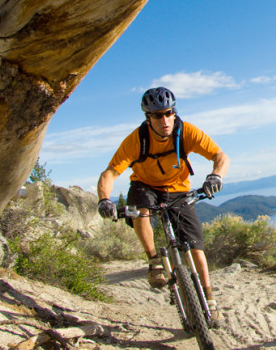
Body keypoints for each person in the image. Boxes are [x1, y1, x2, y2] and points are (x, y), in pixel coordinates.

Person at [96, 86, 230, 321]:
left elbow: (220, 156)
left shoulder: (186, 131)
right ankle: (154, 260)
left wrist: (215, 175)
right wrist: (104, 200)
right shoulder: (136, 140)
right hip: (144, 186)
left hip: (176, 190)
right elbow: (110, 173)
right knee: (140, 210)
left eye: (169, 113)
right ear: (148, 118)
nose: (165, 120)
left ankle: (210, 299)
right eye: (157, 115)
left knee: (195, 247)